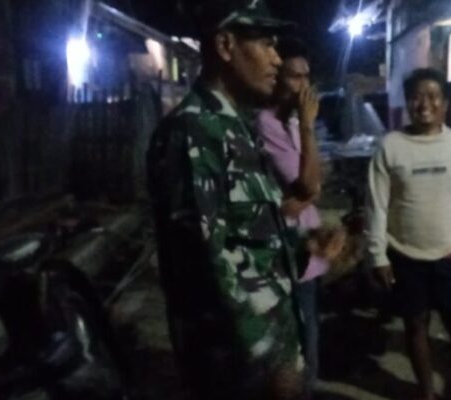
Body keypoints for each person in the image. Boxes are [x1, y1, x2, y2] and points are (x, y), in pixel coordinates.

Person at [146, 2, 338, 399]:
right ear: (225, 45)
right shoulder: (194, 132)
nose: (276, 58)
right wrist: (268, 360)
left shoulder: (235, 127)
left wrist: (302, 248)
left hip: (267, 352)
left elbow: (247, 237)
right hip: (239, 370)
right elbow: (205, 267)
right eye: (266, 44)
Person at [366, 68, 451, 400]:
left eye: (433, 96)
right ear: (407, 102)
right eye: (416, 97)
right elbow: (376, 205)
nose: (424, 104)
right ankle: (426, 393)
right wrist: (377, 255)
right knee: (416, 325)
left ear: (445, 103)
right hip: (405, 255)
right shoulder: (390, 146)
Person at [255, 38, 345, 399]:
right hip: (284, 255)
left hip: (307, 252)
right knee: (293, 347)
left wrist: (308, 192)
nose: (304, 86)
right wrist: (308, 127)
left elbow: (315, 186)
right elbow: (309, 182)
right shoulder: (267, 124)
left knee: (309, 339)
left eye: (307, 76)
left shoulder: (292, 122)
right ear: (277, 80)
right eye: (295, 77)